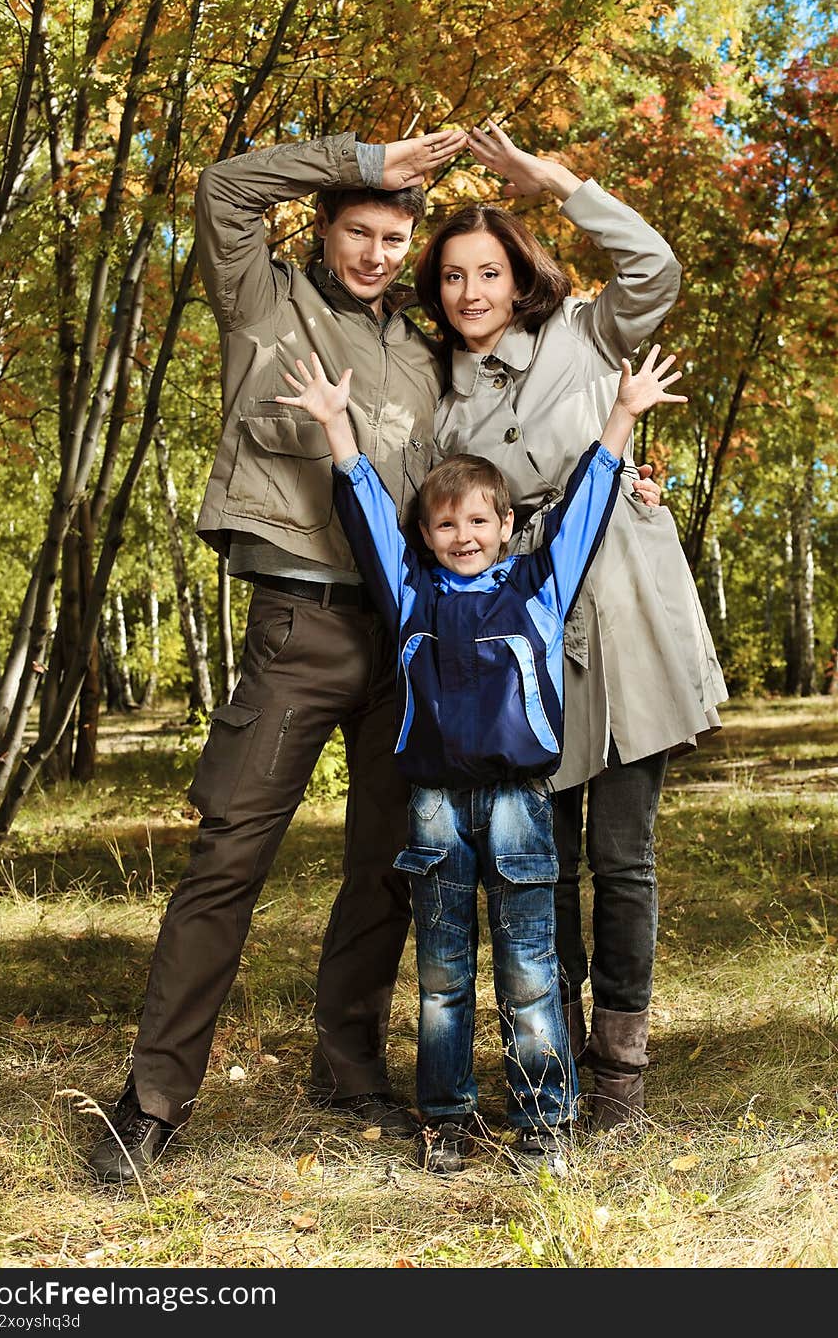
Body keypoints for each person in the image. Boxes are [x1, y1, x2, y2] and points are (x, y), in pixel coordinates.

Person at [88, 125, 469, 1184]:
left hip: (407, 639)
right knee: (228, 861)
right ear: (328, 228)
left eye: (396, 237)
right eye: (362, 230)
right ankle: (153, 1101)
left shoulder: (428, 349)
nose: (379, 251)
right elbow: (221, 185)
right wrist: (364, 157)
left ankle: (349, 1071)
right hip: (297, 625)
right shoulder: (266, 300)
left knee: (389, 865)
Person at [273, 343, 687, 1175]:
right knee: (444, 977)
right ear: (425, 537)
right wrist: (335, 428)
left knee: (531, 970)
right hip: (434, 808)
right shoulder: (412, 595)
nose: (463, 535)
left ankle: (543, 1121)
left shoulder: (538, 586)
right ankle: (448, 1122)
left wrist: (624, 413)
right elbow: (363, 514)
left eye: (478, 521)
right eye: (444, 523)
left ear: (505, 527)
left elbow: (586, 506)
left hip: (520, 805)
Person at [415, 118, 728, 1130]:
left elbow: (657, 265)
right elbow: (445, 534)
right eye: (454, 275)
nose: (471, 292)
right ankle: (553, 1062)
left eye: (488, 271)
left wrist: (549, 180)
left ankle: (622, 1073)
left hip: (625, 609)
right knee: (538, 859)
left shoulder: (586, 333)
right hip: (524, 646)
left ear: (520, 276)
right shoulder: (440, 408)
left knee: (625, 854)